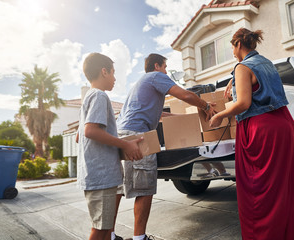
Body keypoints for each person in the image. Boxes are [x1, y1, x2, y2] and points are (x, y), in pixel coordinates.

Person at [210, 28, 294, 239]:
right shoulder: (268, 63)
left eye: (232, 48)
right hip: (285, 124)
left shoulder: (242, 67)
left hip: (261, 130)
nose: (233, 53)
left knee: (259, 194)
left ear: (238, 44)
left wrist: (221, 116)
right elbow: (256, 82)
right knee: (285, 188)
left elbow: (244, 103)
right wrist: (233, 81)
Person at [116, 53, 216, 240]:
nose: (166, 71)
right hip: (139, 136)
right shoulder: (156, 76)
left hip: (122, 135)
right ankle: (139, 238)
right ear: (157, 66)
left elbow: (160, 114)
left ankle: (109, 235)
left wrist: (186, 120)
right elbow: (185, 94)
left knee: (119, 188)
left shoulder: (141, 84)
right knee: (145, 188)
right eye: (165, 67)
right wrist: (205, 106)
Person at [76, 52, 143, 240]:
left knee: (106, 230)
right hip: (101, 175)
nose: (115, 78)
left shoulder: (88, 97)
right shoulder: (99, 96)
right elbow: (90, 132)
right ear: (104, 72)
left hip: (95, 174)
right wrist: (125, 144)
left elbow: (79, 136)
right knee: (100, 230)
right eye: (113, 73)